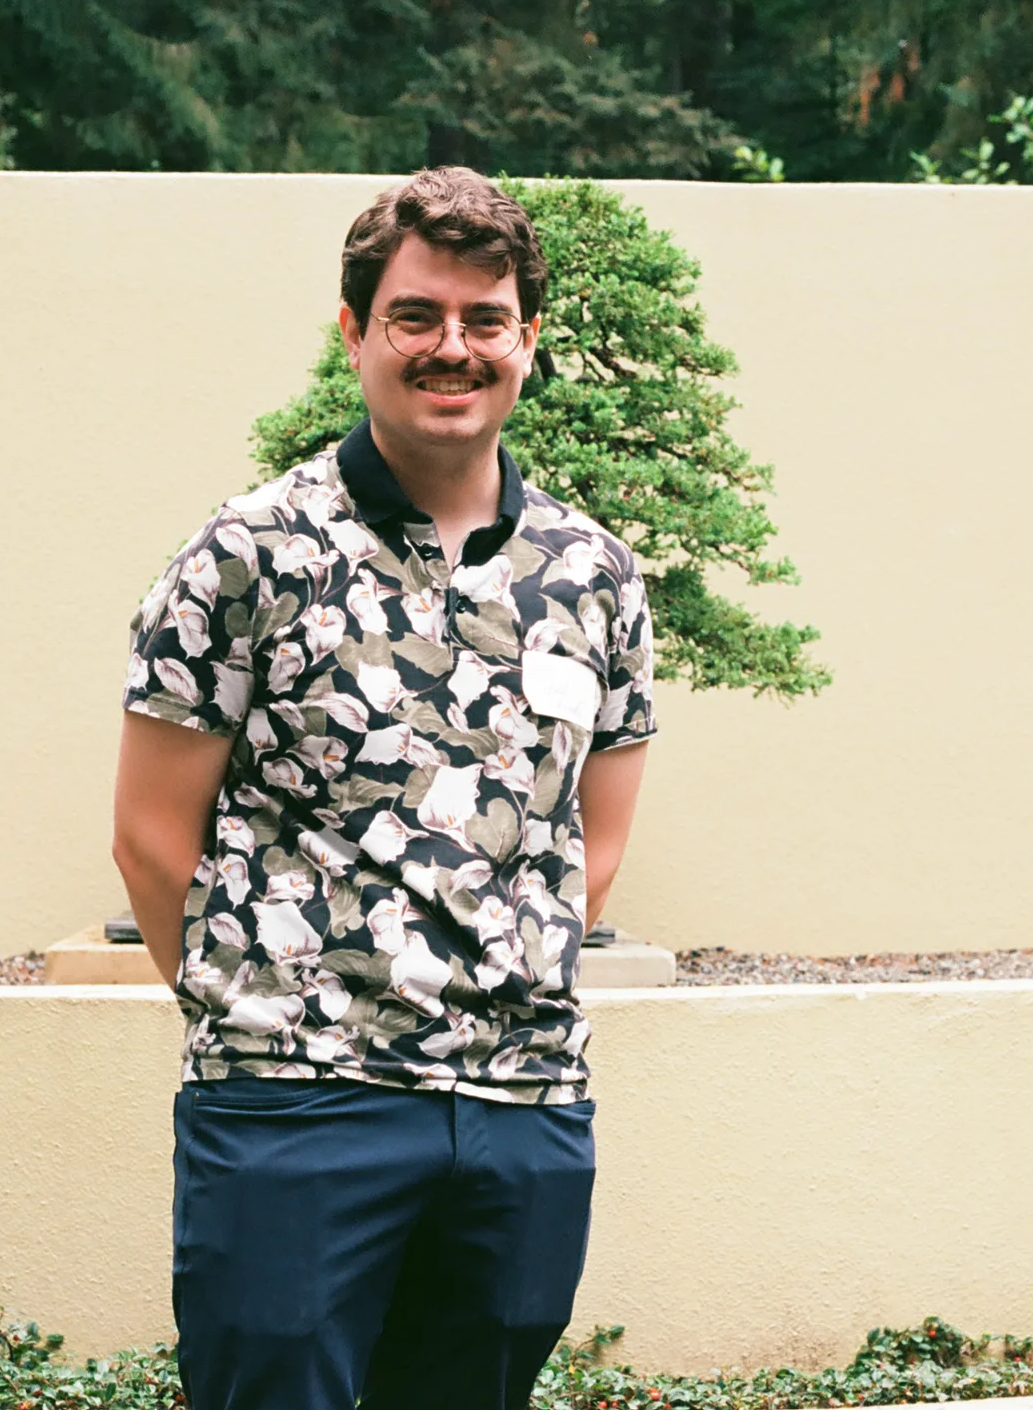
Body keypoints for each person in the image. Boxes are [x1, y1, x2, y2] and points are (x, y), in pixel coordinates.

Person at [111, 166, 656, 1410]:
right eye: (416, 316)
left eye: (483, 317)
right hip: (296, 1103)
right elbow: (149, 840)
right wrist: (263, 1010)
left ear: (528, 340)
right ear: (355, 330)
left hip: (522, 1102)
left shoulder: (595, 574)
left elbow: (594, 840)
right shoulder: (251, 552)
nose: (450, 346)